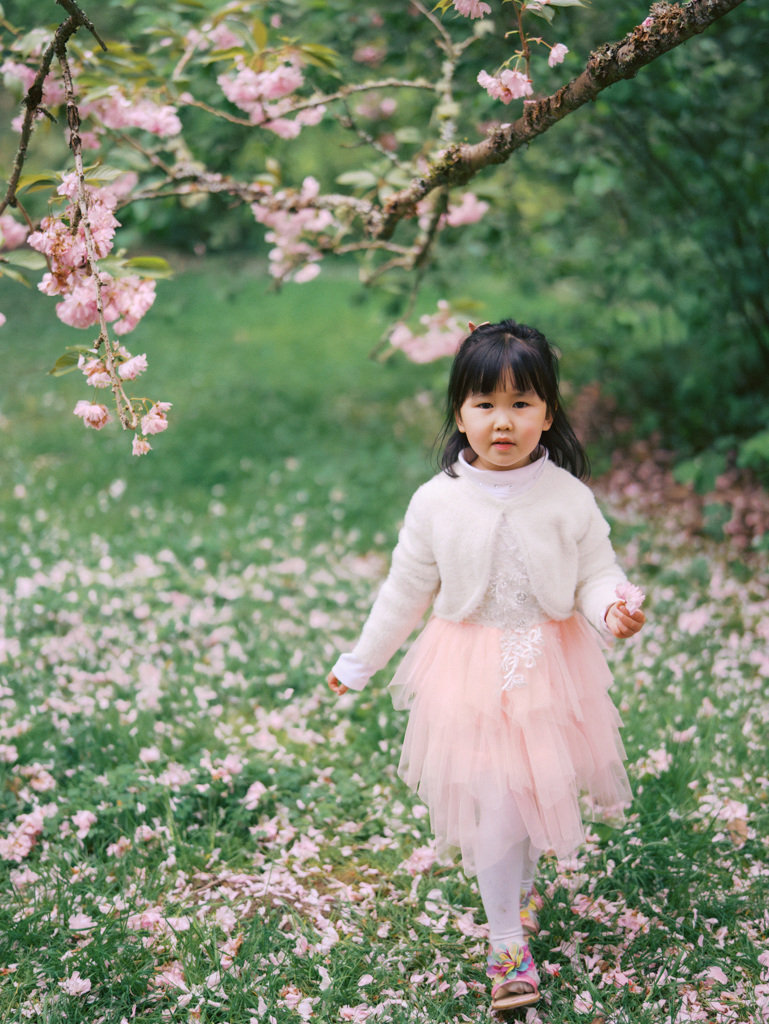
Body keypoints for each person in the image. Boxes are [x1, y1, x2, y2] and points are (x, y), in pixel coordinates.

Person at [326, 319, 646, 1011]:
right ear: (459, 412)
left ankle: (517, 901)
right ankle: (507, 946)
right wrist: (360, 661)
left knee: (528, 798)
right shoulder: (436, 502)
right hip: (466, 671)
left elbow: (596, 574)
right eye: (484, 404)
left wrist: (611, 608)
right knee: (496, 800)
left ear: (548, 414)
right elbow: (404, 593)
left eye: (521, 403)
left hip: (548, 669)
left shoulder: (567, 498)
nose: (502, 421)